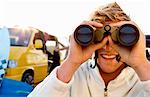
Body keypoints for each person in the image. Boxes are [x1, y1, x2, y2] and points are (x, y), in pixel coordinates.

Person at [28, 2, 150, 97]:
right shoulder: (73, 76)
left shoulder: (142, 79)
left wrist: (141, 64)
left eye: (118, 37)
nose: (107, 46)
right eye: (99, 36)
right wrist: (71, 63)